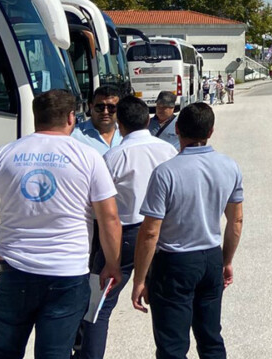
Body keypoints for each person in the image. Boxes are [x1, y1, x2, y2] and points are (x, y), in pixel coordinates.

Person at [0, 90, 123, 358]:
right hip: (67, 272)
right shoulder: (88, 157)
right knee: (55, 353)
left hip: (15, 269)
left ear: (35, 116)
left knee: (3, 350)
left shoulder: (4, 154)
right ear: (71, 117)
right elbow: (109, 217)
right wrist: (112, 264)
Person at [131, 103, 244, 358]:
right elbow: (236, 221)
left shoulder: (165, 173)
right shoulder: (229, 166)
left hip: (175, 262)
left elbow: (150, 232)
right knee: (211, 338)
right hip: (211, 257)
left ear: (178, 129)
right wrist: (226, 261)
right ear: (211, 131)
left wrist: (140, 279)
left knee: (172, 346)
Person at [74, 96, 179, 359]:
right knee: (165, 304)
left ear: (120, 124)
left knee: (98, 307)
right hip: (164, 233)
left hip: (124, 236)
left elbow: (96, 204)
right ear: (148, 120)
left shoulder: (113, 156)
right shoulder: (168, 151)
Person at [72, 86, 124, 155]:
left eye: (111, 107)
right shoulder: (74, 136)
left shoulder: (126, 135)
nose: (105, 112)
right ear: (91, 107)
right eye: (100, 107)